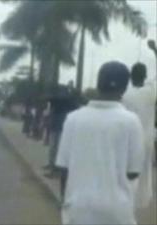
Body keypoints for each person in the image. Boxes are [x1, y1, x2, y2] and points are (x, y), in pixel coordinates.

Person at [56, 61, 144, 225]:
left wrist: (66, 204)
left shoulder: (73, 119)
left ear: (98, 84)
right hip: (117, 212)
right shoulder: (132, 122)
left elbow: (63, 168)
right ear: (124, 89)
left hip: (78, 209)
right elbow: (133, 172)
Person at [122, 62, 156, 209]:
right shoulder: (150, 92)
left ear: (131, 77)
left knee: (127, 173)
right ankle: (143, 200)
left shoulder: (125, 96)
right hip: (147, 140)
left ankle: (128, 200)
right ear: (145, 76)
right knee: (145, 173)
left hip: (129, 141)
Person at [44, 84, 80, 177]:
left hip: (59, 127)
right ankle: (54, 167)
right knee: (56, 149)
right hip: (60, 127)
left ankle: (54, 169)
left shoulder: (56, 101)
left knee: (55, 149)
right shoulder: (68, 101)